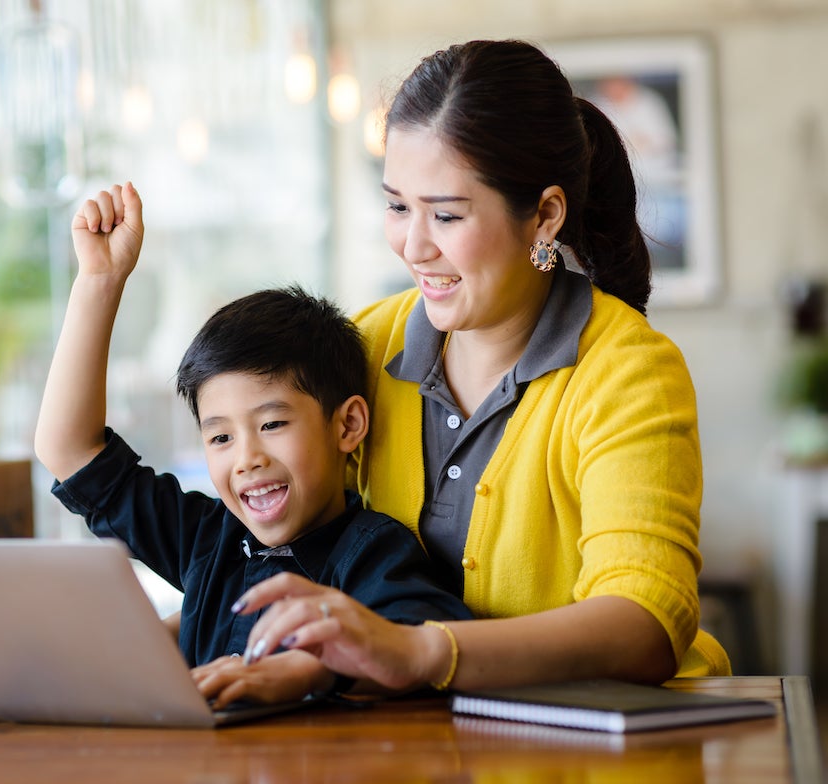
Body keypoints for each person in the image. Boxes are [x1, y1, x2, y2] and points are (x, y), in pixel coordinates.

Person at [231, 39, 732, 694]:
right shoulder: (368, 346)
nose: (414, 246)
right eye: (397, 205)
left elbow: (645, 624)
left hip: (600, 757)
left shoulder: (628, 371)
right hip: (421, 751)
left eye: (445, 214)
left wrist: (417, 652)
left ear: (545, 216)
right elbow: (290, 536)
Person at [33, 183, 472, 707]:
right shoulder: (206, 539)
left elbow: (429, 643)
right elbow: (69, 452)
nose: (247, 459)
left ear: (347, 426)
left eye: (272, 425)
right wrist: (99, 282)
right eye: (220, 437)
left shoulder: (370, 551)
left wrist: (310, 667)